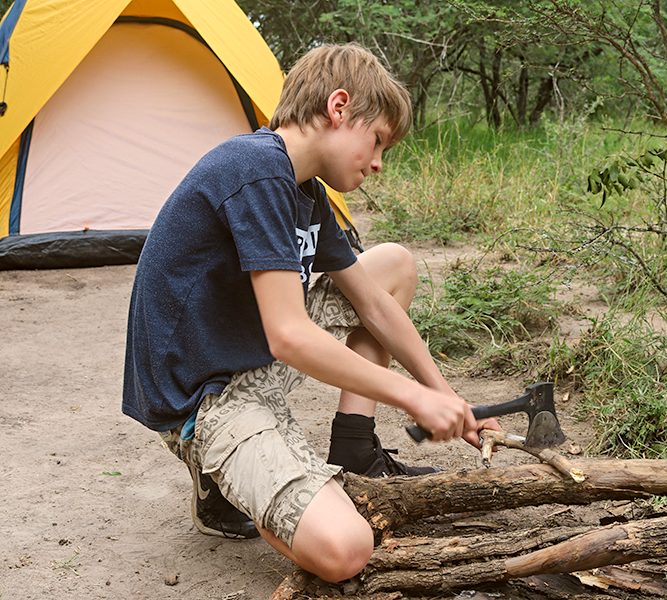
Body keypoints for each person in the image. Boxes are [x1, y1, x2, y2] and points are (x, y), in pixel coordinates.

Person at [122, 43, 497, 583]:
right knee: (346, 548)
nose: (377, 163)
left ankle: (352, 446)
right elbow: (290, 336)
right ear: (338, 107)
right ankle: (224, 477)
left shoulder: (305, 191)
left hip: (250, 358)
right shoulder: (255, 171)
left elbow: (371, 302)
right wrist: (413, 397)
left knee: (392, 267)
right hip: (207, 397)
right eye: (378, 141)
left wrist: (446, 396)